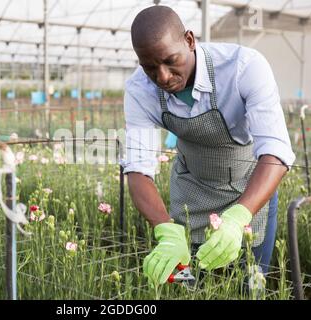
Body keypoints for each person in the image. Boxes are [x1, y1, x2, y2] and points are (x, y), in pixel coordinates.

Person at [123, 5, 295, 285]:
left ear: (189, 40)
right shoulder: (139, 89)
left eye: (170, 60)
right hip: (192, 192)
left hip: (249, 191)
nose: (163, 77)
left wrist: (239, 217)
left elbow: (275, 151)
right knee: (193, 284)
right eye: (150, 67)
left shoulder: (243, 67)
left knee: (250, 283)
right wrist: (164, 228)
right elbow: (137, 170)